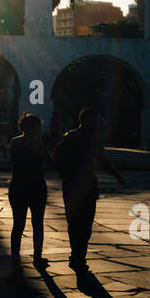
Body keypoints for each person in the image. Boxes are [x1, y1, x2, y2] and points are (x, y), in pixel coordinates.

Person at [51, 108, 125, 271]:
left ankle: (76, 255)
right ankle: (79, 256)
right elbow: (104, 161)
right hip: (86, 186)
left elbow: (55, 158)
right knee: (85, 224)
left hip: (70, 184)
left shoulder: (69, 136)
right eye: (96, 119)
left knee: (74, 223)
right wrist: (118, 176)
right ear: (88, 121)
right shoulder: (92, 139)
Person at [7, 113, 51, 274]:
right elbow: (50, 162)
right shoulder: (37, 144)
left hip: (17, 186)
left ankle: (15, 258)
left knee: (18, 224)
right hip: (36, 187)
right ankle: (37, 257)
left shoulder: (14, 142)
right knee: (37, 223)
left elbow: (12, 162)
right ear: (34, 128)